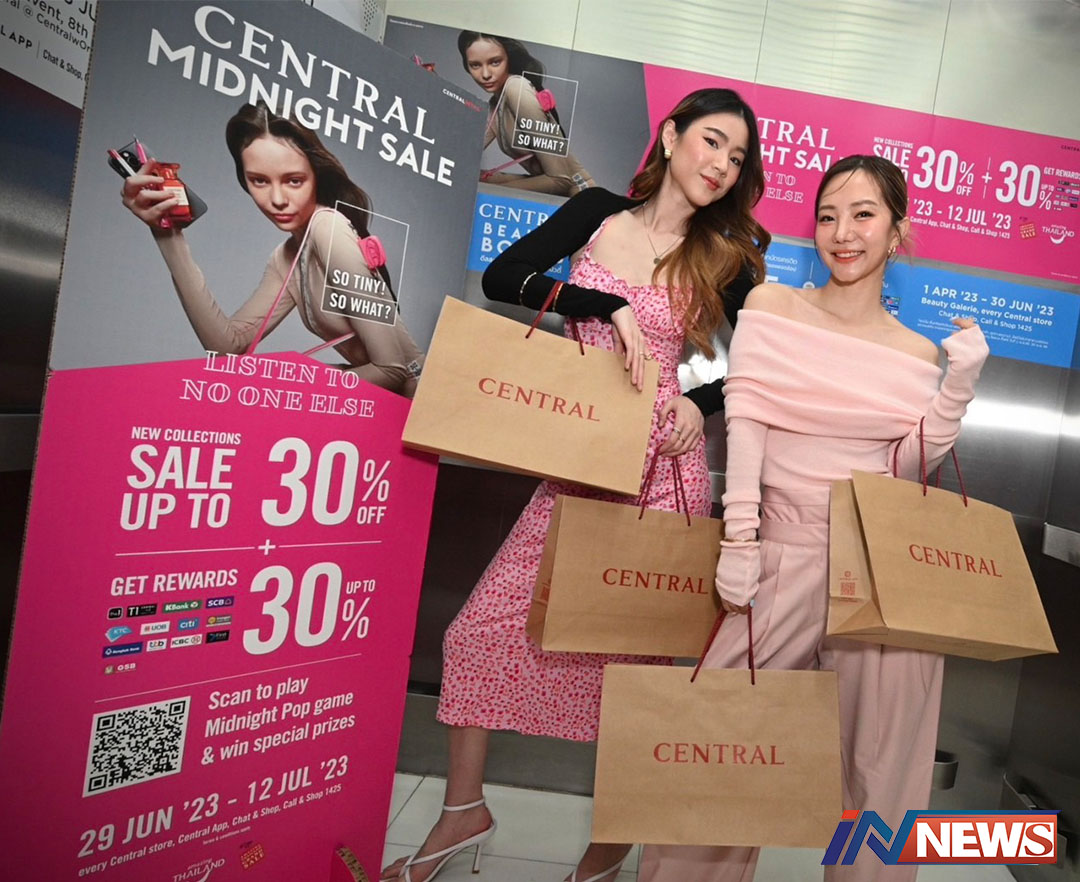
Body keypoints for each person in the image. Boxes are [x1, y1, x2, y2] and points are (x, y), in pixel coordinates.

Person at [381, 88, 770, 882]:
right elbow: (505, 276)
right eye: (712, 142)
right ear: (670, 136)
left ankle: (611, 844)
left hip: (661, 476)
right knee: (477, 636)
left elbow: (768, 364)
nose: (722, 166)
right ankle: (463, 811)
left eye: (737, 159)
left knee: (640, 677)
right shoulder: (597, 212)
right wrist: (605, 305)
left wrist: (699, 403)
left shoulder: (722, 254)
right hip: (579, 468)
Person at [637, 155, 990, 882]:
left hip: (882, 575)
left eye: (863, 215)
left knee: (881, 781)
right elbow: (748, 421)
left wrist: (957, 387)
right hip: (780, 555)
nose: (842, 232)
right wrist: (741, 539)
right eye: (828, 216)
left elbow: (906, 469)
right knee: (719, 761)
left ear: (897, 231)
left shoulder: (916, 350)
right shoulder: (774, 307)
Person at [120, 102, 425, 396]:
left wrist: (287, 381)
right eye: (259, 181)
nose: (277, 199)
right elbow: (227, 349)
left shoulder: (328, 228)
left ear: (316, 176)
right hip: (375, 405)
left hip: (419, 403)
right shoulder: (286, 257)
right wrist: (168, 234)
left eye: (294, 180)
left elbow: (393, 370)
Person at [458, 30, 596, 195]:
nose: (485, 74)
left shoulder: (516, 89)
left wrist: (493, 193)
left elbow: (562, 179)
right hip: (554, 185)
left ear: (509, 58)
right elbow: (465, 151)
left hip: (578, 191)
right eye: (475, 65)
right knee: (470, 177)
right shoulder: (497, 101)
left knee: (479, 189)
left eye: (495, 62)